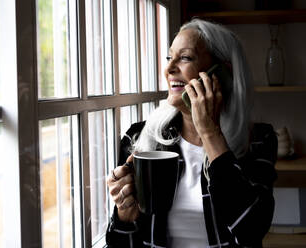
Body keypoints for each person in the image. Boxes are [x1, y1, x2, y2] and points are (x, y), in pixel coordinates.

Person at [106, 18, 278, 248]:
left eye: (185, 57)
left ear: (222, 73)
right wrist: (124, 215)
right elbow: (119, 244)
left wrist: (209, 132)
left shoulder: (258, 139)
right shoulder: (139, 138)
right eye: (169, 58)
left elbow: (252, 231)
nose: (169, 69)